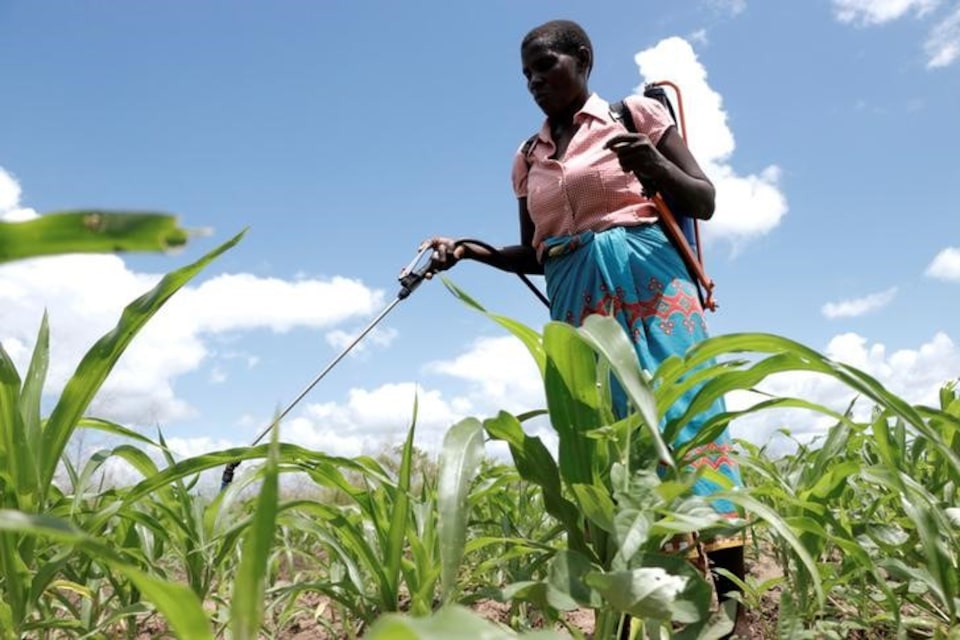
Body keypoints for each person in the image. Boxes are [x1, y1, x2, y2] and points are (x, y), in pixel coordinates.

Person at [425, 19, 748, 638]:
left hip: (650, 284)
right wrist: (469, 251)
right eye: (526, 73)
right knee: (606, 443)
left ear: (583, 60)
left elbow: (703, 199)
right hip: (576, 301)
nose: (534, 82)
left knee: (688, 423)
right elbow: (535, 253)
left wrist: (654, 164)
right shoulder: (528, 158)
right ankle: (634, 610)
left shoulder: (637, 115)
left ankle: (730, 611)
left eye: (545, 66)